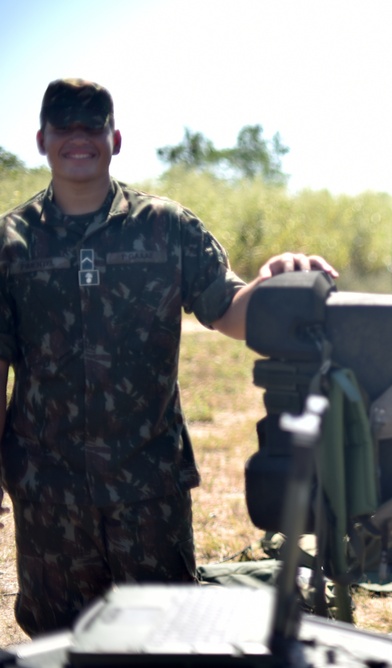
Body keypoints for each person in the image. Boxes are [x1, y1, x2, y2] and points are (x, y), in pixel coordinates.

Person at [0, 78, 336, 637]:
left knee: (168, 638)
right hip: (47, 490)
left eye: (94, 126)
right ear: (42, 139)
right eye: (65, 126)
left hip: (147, 484)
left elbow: (230, 310)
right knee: (59, 641)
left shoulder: (165, 227)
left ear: (116, 138)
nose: (79, 138)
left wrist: (278, 280)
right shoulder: (12, 244)